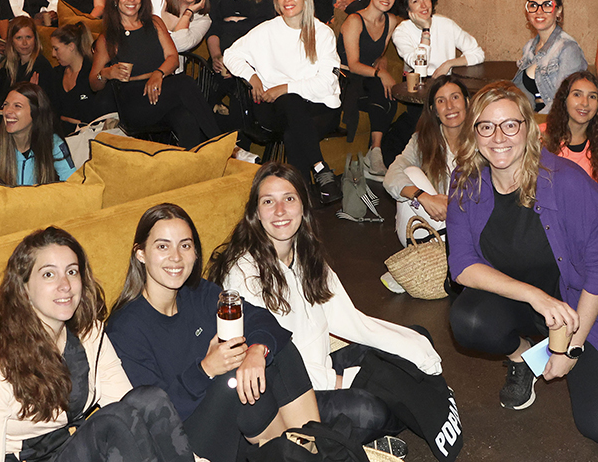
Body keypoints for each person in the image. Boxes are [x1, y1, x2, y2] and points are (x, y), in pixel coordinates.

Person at [447, 80, 598, 446]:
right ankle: (523, 357)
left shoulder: (567, 182)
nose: (498, 137)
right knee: (468, 319)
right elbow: (461, 264)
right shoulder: (466, 181)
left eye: (510, 125)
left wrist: (570, 348)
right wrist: (536, 297)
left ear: (529, 129)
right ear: (474, 133)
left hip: (580, 307)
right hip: (524, 303)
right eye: (486, 126)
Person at [208, 162, 443, 448]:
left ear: (303, 206)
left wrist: (411, 349)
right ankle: (349, 438)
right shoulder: (244, 273)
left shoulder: (306, 253)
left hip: (323, 364)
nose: (280, 211)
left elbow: (351, 320)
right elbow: (280, 365)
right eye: (268, 201)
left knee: (417, 338)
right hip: (290, 395)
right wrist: (340, 381)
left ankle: (361, 427)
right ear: (256, 212)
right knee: (371, 411)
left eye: (289, 199)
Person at [106, 203, 319, 462]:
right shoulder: (125, 328)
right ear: (140, 253)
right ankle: (297, 454)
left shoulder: (199, 294)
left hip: (232, 421)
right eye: (163, 246)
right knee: (232, 381)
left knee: (275, 349)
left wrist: (257, 351)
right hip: (179, 443)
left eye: (185, 245)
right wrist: (205, 370)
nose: (176, 257)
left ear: (195, 252)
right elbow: (153, 414)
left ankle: (313, 449)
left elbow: (260, 319)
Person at [0, 226, 196, 462]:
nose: (65, 285)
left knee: (148, 399)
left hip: (75, 449)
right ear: (24, 289)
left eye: (72, 272)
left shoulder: (89, 335)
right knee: (112, 422)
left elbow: (133, 410)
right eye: (48, 275)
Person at [223, 0, 342, 204]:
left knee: (293, 127)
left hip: (317, 107)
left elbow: (327, 83)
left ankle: (302, 197)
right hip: (272, 110)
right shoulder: (267, 30)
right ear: (276, 0)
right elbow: (230, 54)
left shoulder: (322, 33)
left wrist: (284, 88)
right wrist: (252, 77)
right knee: (291, 103)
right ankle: (320, 168)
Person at [90, 0, 219, 149]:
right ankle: (221, 144)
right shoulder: (108, 38)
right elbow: (94, 83)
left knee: (185, 117)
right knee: (185, 83)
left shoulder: (155, 23)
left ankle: (196, 163)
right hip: (133, 102)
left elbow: (173, 58)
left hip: (160, 91)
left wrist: (159, 74)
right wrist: (106, 73)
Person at [383, 0, 483, 166]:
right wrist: (426, 31)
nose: (423, 5)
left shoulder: (446, 24)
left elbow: (477, 53)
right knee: (420, 128)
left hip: (445, 84)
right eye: (415, 1)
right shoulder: (401, 31)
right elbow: (418, 65)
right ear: (407, 8)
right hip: (418, 89)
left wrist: (449, 63)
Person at [384, 74, 470, 243]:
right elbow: (391, 176)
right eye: (441, 101)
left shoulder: (483, 140)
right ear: (434, 110)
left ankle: (454, 242)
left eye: (455, 97)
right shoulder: (422, 140)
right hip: (428, 228)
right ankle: (456, 243)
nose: (449, 106)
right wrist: (423, 197)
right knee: (410, 173)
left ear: (467, 102)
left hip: (464, 225)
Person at [338, 0, 399, 176]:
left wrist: (382, 59)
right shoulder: (354, 20)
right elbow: (354, 64)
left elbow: (377, 51)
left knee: (389, 94)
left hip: (368, 79)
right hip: (345, 79)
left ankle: (375, 151)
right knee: (381, 87)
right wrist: (380, 72)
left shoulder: (391, 21)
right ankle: (375, 155)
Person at [0, 83, 75, 186]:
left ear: (35, 112)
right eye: (6, 105)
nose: (8, 111)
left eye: (17, 106)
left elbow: (73, 183)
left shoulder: (53, 143)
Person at [513, 0, 588, 113]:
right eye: (533, 5)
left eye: (547, 5)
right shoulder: (529, 47)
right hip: (530, 118)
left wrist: (532, 120)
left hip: (552, 121)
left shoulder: (568, 49)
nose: (539, 11)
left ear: (558, 11)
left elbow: (564, 102)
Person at [540, 71, 598, 195]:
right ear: (564, 100)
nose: (585, 103)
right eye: (577, 94)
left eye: (592, 97)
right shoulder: (540, 135)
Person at [0, 15, 60, 118]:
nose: (24, 43)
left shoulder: (41, 66)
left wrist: (31, 94)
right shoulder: (12, 65)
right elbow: (2, 101)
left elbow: (45, 108)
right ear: (11, 41)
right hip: (11, 114)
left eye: (28, 37)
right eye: (19, 38)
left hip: (33, 118)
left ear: (35, 39)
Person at [51, 22, 112, 134]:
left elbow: (96, 114)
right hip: (60, 134)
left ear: (71, 47)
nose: (53, 54)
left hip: (87, 135)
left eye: (56, 49)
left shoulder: (92, 75)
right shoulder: (56, 74)